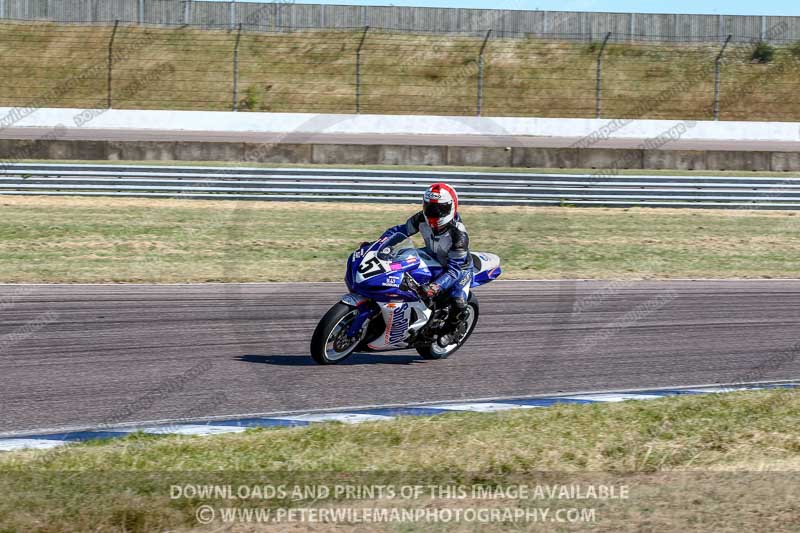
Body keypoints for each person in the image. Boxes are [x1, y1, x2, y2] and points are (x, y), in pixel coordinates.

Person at [378, 183, 473, 346]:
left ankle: (453, 330)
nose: (434, 213)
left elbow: (453, 271)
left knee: (458, 301)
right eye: (430, 208)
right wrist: (380, 243)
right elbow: (399, 231)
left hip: (458, 269)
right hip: (432, 255)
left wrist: (435, 286)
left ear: (451, 207)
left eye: (439, 209)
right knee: (398, 267)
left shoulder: (459, 235)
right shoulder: (420, 218)